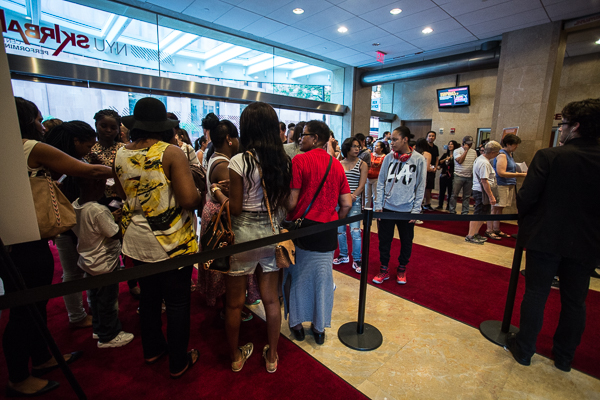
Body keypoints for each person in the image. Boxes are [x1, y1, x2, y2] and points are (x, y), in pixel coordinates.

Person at [2, 97, 111, 397]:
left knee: (34, 304)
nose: (41, 125)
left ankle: (41, 357)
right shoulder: (29, 147)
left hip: (20, 237)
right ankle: (19, 376)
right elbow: (85, 171)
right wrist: (127, 171)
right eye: (36, 119)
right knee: (25, 309)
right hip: (27, 238)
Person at [505, 98, 600, 373]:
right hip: (587, 242)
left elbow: (526, 198)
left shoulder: (550, 156)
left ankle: (524, 350)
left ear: (576, 126)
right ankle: (564, 357)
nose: (562, 129)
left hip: (545, 237)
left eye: (564, 124)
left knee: (536, 293)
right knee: (575, 300)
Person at [114, 97, 201, 378]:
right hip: (170, 240)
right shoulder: (171, 152)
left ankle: (152, 350)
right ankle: (178, 361)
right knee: (177, 303)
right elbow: (188, 199)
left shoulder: (121, 153)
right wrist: (201, 194)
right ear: (164, 126)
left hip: (135, 239)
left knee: (148, 300)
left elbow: (121, 194)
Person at [223, 102, 291, 373]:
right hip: (272, 231)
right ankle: (272, 356)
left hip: (243, 234)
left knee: (234, 302)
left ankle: (235, 357)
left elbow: (236, 207)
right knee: (271, 299)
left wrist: (219, 194)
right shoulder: (283, 160)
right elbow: (283, 201)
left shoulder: (239, 161)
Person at [284, 120, 352, 345]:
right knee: (323, 281)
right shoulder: (336, 165)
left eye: (303, 135)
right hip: (327, 230)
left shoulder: (299, 160)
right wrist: (333, 221)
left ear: (316, 139)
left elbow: (292, 203)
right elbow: (346, 204)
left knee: (298, 279)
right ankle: (319, 327)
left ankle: (296, 323)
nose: (299, 138)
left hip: (303, 230)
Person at [197, 121, 255, 321]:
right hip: (221, 215)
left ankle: (228, 306)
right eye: (236, 137)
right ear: (229, 139)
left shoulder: (216, 157)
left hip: (213, 211)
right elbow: (234, 199)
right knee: (225, 265)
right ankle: (229, 308)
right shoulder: (224, 165)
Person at [44, 121, 99, 329]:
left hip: (78, 222)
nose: (90, 150)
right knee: (73, 272)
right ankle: (76, 315)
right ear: (76, 141)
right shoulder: (60, 164)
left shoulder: (72, 160)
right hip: (68, 225)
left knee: (86, 268)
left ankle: (89, 308)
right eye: (87, 145)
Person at [72, 176, 134, 348]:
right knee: (107, 300)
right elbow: (114, 233)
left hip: (88, 259)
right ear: (96, 185)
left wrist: (110, 217)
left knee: (95, 298)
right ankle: (109, 335)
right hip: (104, 261)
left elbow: (93, 226)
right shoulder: (98, 210)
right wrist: (122, 221)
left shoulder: (76, 204)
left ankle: (98, 328)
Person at [372, 126, 426, 285]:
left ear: (405, 139)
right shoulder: (389, 157)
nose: (391, 142)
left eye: (395, 139)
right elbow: (380, 182)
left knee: (406, 241)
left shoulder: (419, 159)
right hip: (387, 208)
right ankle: (384, 269)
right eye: (391, 139)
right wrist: (378, 205)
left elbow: (420, 186)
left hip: (407, 210)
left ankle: (402, 267)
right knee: (384, 241)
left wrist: (416, 210)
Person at [332, 137, 368, 273]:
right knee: (340, 230)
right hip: (340, 201)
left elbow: (362, 184)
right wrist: (343, 197)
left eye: (358, 146)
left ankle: (357, 259)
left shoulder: (362, 164)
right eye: (353, 146)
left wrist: (352, 196)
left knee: (355, 232)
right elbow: (336, 183)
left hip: (355, 200)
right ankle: (343, 255)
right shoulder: (339, 163)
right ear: (347, 148)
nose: (357, 148)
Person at [487, 134, 526, 239]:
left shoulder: (509, 154)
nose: (517, 146)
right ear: (508, 144)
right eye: (515, 144)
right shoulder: (502, 155)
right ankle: (489, 230)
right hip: (501, 184)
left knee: (500, 208)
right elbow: (501, 172)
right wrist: (520, 175)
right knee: (495, 208)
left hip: (508, 184)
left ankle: (496, 228)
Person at [464, 141, 501, 244]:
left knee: (483, 213)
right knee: (478, 213)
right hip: (481, 191)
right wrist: (491, 196)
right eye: (497, 152)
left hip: (481, 190)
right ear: (493, 152)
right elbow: (484, 181)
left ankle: (475, 233)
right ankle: (470, 235)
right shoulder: (483, 162)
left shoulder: (482, 159)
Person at [449, 135, 477, 214]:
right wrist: (465, 151)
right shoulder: (457, 151)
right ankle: (452, 210)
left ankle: (465, 211)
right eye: (468, 143)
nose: (470, 145)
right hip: (458, 175)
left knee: (467, 196)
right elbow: (460, 161)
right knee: (454, 195)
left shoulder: (474, 152)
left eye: (471, 143)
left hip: (469, 177)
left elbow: (475, 163)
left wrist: (473, 173)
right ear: (463, 143)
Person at [436, 140, 459, 210]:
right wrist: (446, 159)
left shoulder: (456, 156)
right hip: (444, 175)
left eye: (451, 144)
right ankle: (440, 204)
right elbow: (440, 162)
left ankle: (449, 205)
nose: (450, 145)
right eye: (449, 144)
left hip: (451, 176)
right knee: (442, 191)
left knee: (450, 191)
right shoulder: (445, 155)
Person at [365, 140, 387, 208]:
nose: (375, 147)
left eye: (377, 146)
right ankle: (366, 212)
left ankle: (375, 212)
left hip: (377, 178)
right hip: (368, 177)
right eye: (374, 145)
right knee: (367, 196)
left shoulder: (384, 157)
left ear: (381, 148)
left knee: (376, 196)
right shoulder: (370, 155)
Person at [423, 131, 439, 210]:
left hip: (432, 170)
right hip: (425, 169)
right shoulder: (425, 147)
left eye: (433, 136)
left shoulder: (435, 147)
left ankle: (427, 203)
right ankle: (421, 203)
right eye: (429, 136)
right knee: (423, 187)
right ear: (427, 137)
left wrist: (435, 167)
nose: (431, 137)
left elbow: (436, 158)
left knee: (429, 187)